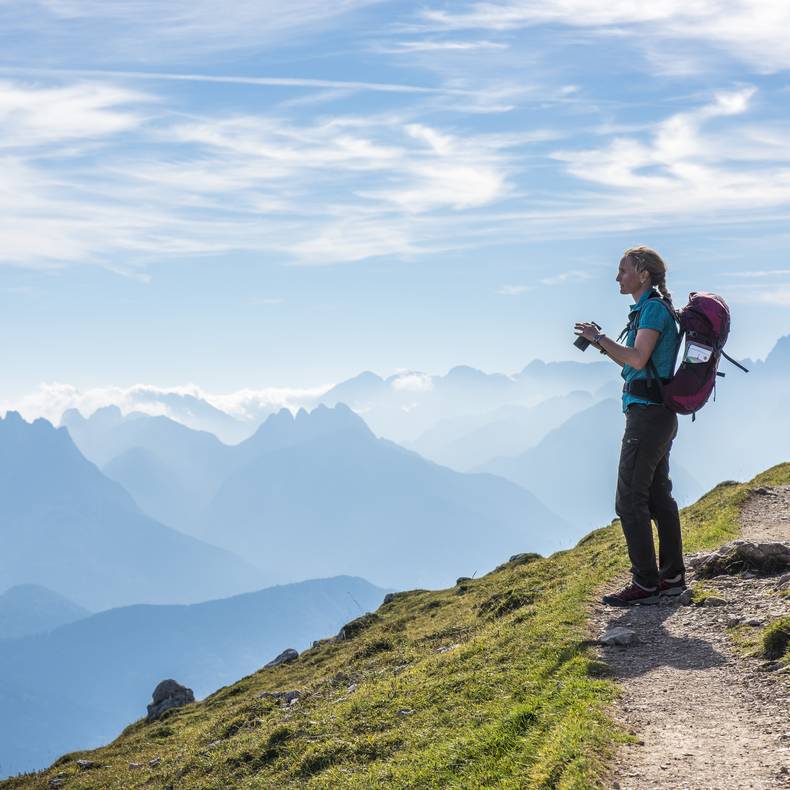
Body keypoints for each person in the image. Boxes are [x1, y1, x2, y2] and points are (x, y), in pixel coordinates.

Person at [574, 246, 686, 606]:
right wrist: (602, 341)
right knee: (656, 496)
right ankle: (671, 577)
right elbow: (639, 359)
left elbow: (637, 359)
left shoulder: (652, 310)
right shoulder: (651, 308)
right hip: (658, 414)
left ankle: (646, 583)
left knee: (628, 500)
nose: (617, 277)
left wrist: (598, 339)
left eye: (623, 270)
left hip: (648, 415)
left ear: (643, 274)